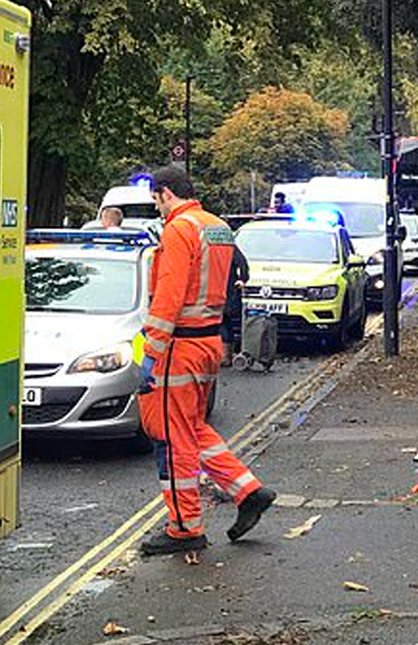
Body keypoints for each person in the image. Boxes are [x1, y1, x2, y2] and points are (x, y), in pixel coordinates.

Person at [138, 165, 277, 555]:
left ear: (165, 193)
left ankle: (185, 527)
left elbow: (169, 294)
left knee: (173, 438)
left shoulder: (179, 229)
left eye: (156, 201)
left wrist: (151, 352)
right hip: (209, 342)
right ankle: (248, 491)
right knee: (193, 427)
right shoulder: (217, 227)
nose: (157, 209)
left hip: (178, 348)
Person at [222, 245, 250, 357]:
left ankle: (226, 355)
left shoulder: (228, 247)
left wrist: (242, 279)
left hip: (226, 291)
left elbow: (242, 264)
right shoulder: (229, 246)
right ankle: (226, 354)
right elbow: (243, 263)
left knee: (223, 322)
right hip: (226, 291)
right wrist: (242, 279)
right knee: (225, 323)